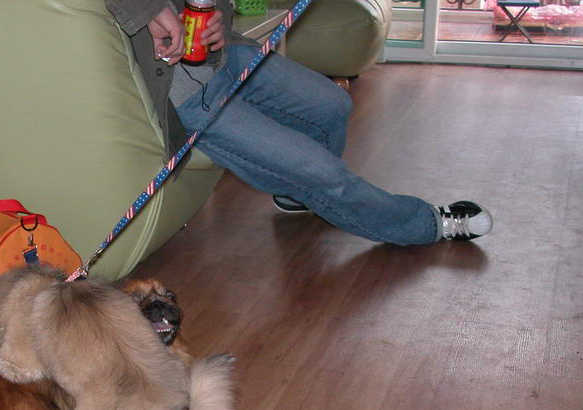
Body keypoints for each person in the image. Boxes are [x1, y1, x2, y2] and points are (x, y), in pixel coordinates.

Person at [104, 0, 493, 245]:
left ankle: (299, 195)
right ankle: (426, 224)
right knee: (322, 173)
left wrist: (218, 17)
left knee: (332, 105)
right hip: (182, 95)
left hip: (222, 55)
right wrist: (149, 10)